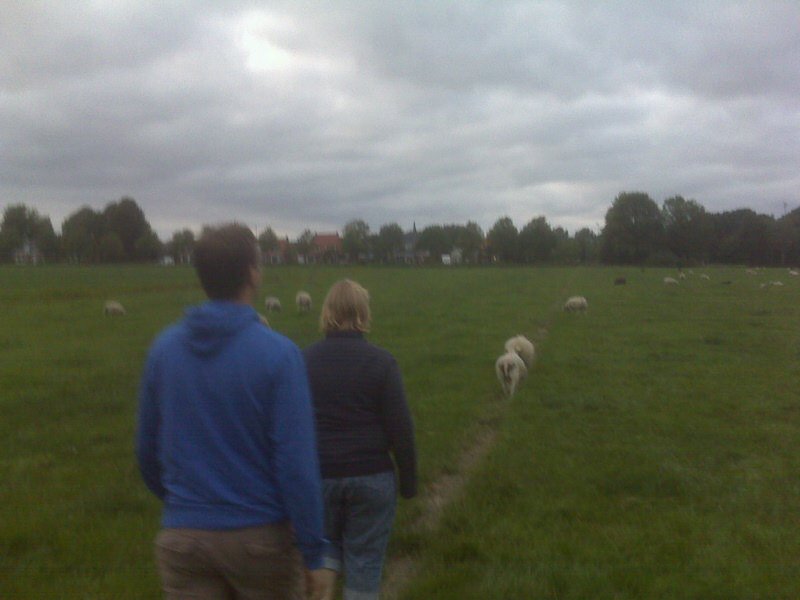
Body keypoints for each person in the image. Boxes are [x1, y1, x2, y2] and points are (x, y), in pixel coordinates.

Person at [136, 223, 327, 600]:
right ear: (253, 274)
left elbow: (146, 451)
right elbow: (296, 465)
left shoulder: (163, 350)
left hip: (183, 541)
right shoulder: (280, 355)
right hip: (261, 541)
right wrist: (313, 552)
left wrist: (187, 505)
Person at [302, 279, 417, 600]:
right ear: (364, 314)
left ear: (327, 312)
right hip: (372, 478)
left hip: (320, 478)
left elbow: (292, 427)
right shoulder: (382, 362)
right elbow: (401, 428)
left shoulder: (303, 360)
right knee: (364, 561)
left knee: (323, 548)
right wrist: (408, 482)